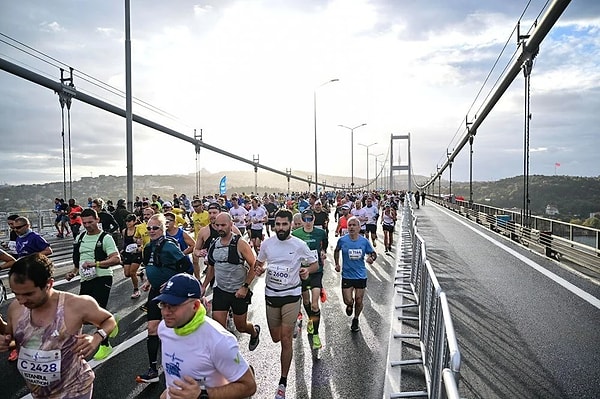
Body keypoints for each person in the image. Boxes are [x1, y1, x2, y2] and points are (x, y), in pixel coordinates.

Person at [0, 253, 116, 399]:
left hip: (75, 389)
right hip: (40, 393)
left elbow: (109, 320)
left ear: (49, 284)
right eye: (16, 294)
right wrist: (4, 339)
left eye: (29, 294)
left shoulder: (76, 305)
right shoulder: (15, 307)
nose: (22, 300)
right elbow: (12, 339)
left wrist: (97, 338)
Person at [155, 273, 256, 399]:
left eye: (173, 306)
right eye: (163, 305)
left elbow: (249, 386)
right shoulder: (164, 328)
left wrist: (202, 395)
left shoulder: (219, 340)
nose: (165, 312)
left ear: (195, 306)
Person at [253, 209, 318, 399]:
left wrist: (307, 270)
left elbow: (314, 264)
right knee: (275, 337)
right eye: (278, 224)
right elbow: (259, 263)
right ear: (274, 225)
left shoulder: (299, 245)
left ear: (291, 224)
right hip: (272, 295)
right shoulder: (267, 244)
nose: (280, 228)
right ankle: (291, 328)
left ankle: (283, 382)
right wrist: (260, 269)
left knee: (286, 338)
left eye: (284, 224)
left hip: (291, 294)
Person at [136, 213, 194, 384]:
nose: (151, 231)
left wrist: (171, 282)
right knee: (152, 328)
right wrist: (148, 281)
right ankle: (153, 370)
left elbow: (187, 268)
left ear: (162, 229)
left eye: (155, 228)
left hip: (172, 294)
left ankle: (187, 367)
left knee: (177, 330)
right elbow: (152, 266)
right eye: (149, 228)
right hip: (155, 291)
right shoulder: (148, 247)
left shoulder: (169, 246)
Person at [65, 208, 121, 360]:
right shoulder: (80, 237)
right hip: (86, 278)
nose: (87, 225)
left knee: (98, 312)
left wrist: (96, 264)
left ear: (98, 220)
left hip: (102, 277)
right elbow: (79, 258)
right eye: (84, 223)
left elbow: (116, 259)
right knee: (84, 314)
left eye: (90, 222)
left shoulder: (106, 238)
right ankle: (111, 320)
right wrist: (73, 271)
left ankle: (105, 345)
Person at [204, 212, 261, 351]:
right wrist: (203, 286)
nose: (220, 228)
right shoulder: (214, 244)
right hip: (220, 290)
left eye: (223, 225)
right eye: (217, 225)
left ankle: (254, 331)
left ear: (231, 225)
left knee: (241, 327)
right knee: (219, 328)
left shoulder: (240, 243)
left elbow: (254, 265)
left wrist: (245, 287)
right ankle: (227, 356)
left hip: (238, 292)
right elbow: (211, 267)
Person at [291, 208, 328, 350]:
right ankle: (311, 320)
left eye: (310, 219)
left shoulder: (320, 233)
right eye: (305, 219)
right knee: (305, 301)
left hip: (316, 271)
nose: (307, 222)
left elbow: (324, 244)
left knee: (314, 304)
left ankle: (316, 335)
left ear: (313, 219)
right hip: (302, 273)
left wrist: (323, 252)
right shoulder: (296, 234)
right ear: (301, 220)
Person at [334, 216, 377, 332]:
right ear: (347, 227)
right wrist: (337, 264)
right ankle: (349, 304)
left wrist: (371, 258)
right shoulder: (342, 240)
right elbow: (336, 250)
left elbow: (373, 253)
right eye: (350, 225)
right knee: (348, 301)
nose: (351, 227)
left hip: (360, 275)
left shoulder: (364, 241)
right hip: (347, 275)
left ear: (359, 227)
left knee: (359, 300)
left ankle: (356, 319)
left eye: (354, 225)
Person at [122, 213, 143, 299]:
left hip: (136, 253)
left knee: (132, 273)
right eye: (126, 221)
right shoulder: (124, 231)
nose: (128, 223)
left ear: (134, 222)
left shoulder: (138, 230)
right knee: (127, 274)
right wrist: (123, 249)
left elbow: (141, 242)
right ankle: (139, 273)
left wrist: (139, 247)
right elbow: (125, 242)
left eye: (129, 221)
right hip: (128, 252)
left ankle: (136, 289)